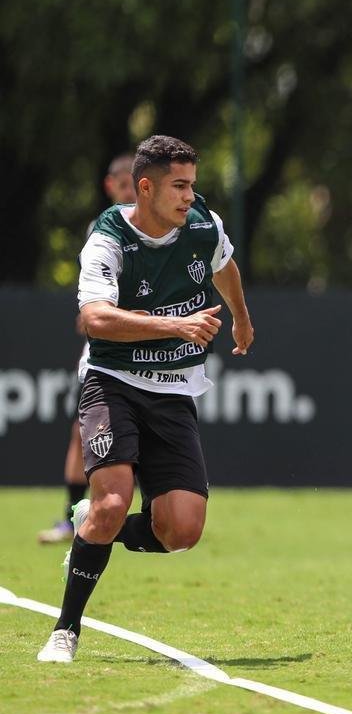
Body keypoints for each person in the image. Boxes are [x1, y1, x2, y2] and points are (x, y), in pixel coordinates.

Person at [37, 135, 255, 663]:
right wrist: (175, 325)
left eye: (192, 185)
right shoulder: (108, 236)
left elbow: (224, 265)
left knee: (182, 531)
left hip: (173, 391)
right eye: (179, 186)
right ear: (146, 188)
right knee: (113, 503)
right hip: (111, 382)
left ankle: (91, 527)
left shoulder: (202, 225)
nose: (189, 196)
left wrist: (242, 320)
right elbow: (95, 318)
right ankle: (66, 630)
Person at [37, 154, 136, 544]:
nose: (130, 192)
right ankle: (73, 517)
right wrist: (94, 312)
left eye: (136, 185)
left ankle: (149, 515)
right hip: (103, 348)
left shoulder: (159, 226)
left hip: (145, 347)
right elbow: (93, 288)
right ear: (110, 186)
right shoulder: (102, 228)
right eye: (124, 185)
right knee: (81, 432)